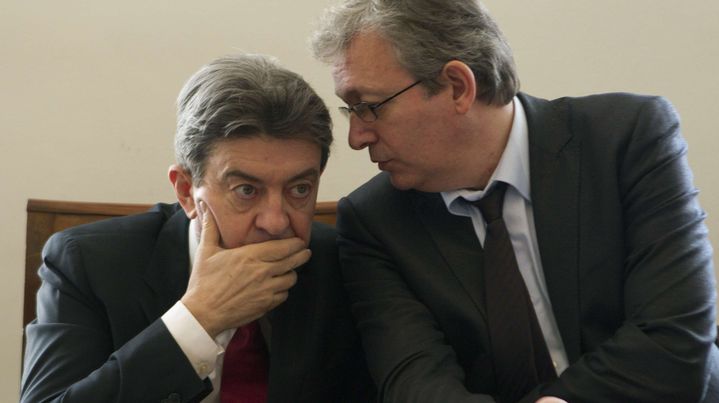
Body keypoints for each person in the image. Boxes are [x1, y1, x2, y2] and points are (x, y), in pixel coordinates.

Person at [311, 1, 719, 402]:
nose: (356, 137)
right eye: (352, 111)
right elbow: (416, 383)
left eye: (369, 108)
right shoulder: (374, 221)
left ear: (458, 87)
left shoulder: (625, 139)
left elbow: (674, 340)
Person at [21, 54, 374, 403]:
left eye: (299, 189)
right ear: (187, 191)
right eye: (246, 191)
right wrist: (198, 318)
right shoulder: (87, 263)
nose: (276, 222)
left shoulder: (344, 264)